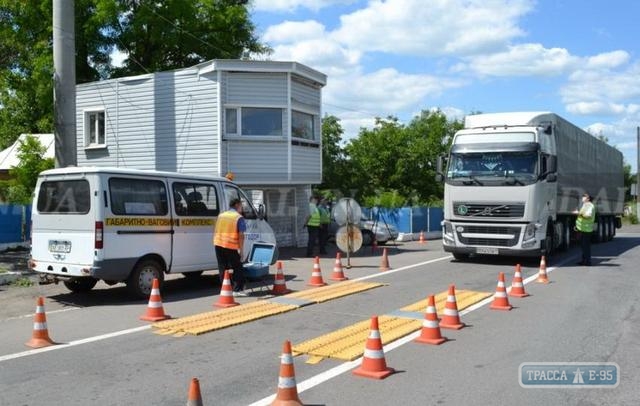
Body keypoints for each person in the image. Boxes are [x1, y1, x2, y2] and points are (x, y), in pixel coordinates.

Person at [213, 198, 248, 296]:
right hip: (230, 245)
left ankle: (226, 289)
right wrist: (241, 251)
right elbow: (241, 235)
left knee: (222, 267)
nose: (242, 208)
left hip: (218, 243)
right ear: (237, 205)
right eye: (241, 205)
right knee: (238, 267)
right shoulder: (238, 217)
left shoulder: (221, 215)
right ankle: (238, 290)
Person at [574, 193, 596, 266]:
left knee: (586, 246)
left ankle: (587, 261)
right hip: (583, 229)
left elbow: (588, 215)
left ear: (588, 199)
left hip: (586, 229)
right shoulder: (585, 205)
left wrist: (579, 213)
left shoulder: (589, 205)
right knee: (583, 246)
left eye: (584, 196)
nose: (582, 197)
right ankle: (584, 260)